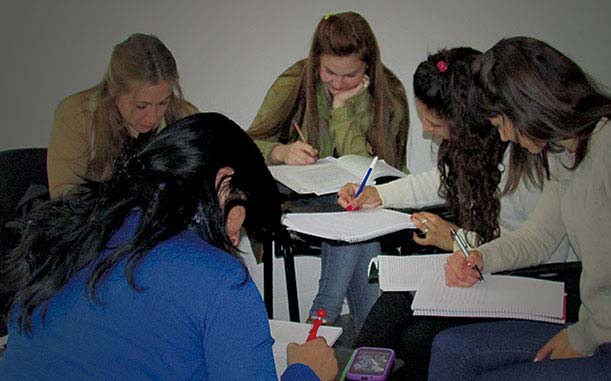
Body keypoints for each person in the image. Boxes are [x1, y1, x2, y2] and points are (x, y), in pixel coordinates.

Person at [0, 113, 338, 380]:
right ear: (223, 183)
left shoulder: (72, 229)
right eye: (243, 211)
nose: (236, 237)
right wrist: (306, 371)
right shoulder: (219, 278)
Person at [429, 36, 611, 380]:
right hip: (596, 325)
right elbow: (540, 235)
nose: (503, 138)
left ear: (528, 106)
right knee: (450, 350)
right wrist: (483, 257)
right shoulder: (565, 150)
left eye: (502, 123)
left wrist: (583, 337)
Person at [340, 47, 573, 380]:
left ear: (467, 120)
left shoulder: (529, 161)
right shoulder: (475, 149)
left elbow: (536, 249)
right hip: (487, 268)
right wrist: (378, 194)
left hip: (527, 282)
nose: (428, 131)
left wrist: (454, 238)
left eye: (435, 123)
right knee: (392, 303)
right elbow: (438, 182)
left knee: (419, 338)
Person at [247, 11, 409, 329]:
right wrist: (281, 151)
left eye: (349, 76)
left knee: (354, 215)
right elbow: (248, 144)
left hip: (362, 205)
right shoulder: (295, 81)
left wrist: (342, 111)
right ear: (316, 61)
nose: (337, 83)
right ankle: (362, 333)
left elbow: (364, 171)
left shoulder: (388, 93)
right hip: (302, 202)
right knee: (355, 222)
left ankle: (322, 323)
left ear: (368, 67)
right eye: (329, 72)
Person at [47, 33, 198, 198]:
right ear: (114, 91)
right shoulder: (77, 115)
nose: (152, 118)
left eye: (163, 103)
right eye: (141, 106)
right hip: (94, 218)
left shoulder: (186, 118)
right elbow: (64, 196)